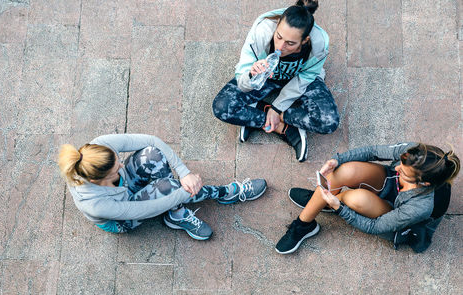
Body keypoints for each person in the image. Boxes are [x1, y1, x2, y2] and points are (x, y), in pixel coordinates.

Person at [58, 134, 267, 240]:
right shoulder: (94, 204)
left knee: (151, 154)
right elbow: (147, 209)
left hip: (124, 192)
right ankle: (225, 193)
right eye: (116, 169)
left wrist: (184, 174)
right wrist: (182, 192)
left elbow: (152, 141)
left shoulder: (97, 149)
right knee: (166, 188)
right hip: (122, 217)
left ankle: (176, 214)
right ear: (97, 180)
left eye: (118, 160)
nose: (122, 165)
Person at [275, 142, 460, 254]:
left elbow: (375, 227)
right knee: (346, 170)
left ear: (424, 183)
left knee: (355, 199)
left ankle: (327, 203)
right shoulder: (415, 154)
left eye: (404, 173)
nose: (396, 168)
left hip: (401, 223)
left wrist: (340, 208)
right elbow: (373, 151)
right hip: (393, 189)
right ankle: (305, 223)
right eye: (401, 165)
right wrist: (337, 160)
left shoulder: (421, 206)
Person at [212, 0, 339, 162]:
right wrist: (251, 74)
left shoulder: (319, 45)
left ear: (305, 40)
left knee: (329, 122)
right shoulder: (262, 32)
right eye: (278, 37)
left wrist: (278, 108)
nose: (280, 47)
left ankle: (255, 114)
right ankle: (283, 128)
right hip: (266, 78)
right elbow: (242, 80)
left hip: (298, 79)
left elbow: (305, 78)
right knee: (222, 107)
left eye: (290, 43)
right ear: (277, 24)